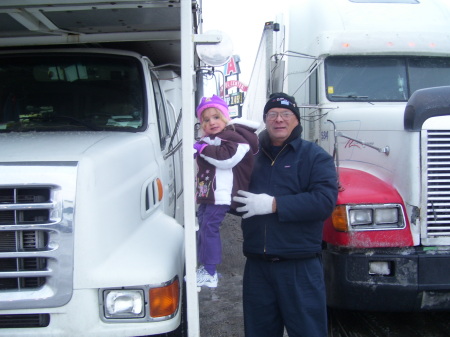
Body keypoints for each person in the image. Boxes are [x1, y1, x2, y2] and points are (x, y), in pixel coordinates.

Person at [233, 93, 338, 337]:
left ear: (296, 120)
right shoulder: (250, 157)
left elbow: (324, 202)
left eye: (285, 114)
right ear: (265, 120)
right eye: (272, 114)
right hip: (258, 268)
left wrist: (274, 205)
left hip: (300, 268)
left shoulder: (314, 156)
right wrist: (212, 194)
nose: (279, 119)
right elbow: (236, 200)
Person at [194, 95, 259, 288]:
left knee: (209, 228)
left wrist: (202, 149)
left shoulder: (233, 137)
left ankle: (210, 271)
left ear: (225, 117)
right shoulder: (213, 138)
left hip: (221, 193)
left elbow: (227, 158)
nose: (211, 122)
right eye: (206, 120)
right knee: (203, 226)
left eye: (216, 117)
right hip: (209, 193)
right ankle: (204, 267)